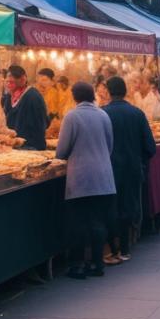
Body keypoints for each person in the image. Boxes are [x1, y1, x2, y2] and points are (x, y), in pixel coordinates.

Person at [54, 82, 116, 279]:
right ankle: (98, 264)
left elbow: (61, 151)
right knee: (98, 221)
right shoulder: (103, 114)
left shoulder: (72, 116)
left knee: (79, 222)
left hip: (81, 177)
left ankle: (77, 266)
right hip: (104, 177)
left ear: (75, 97)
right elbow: (109, 145)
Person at [102, 76, 156, 263]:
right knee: (128, 207)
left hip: (109, 170)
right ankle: (125, 248)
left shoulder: (103, 114)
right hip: (132, 168)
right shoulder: (137, 114)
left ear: (108, 92)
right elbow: (150, 146)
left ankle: (112, 249)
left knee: (110, 208)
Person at [2, 65, 48, 150]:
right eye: (7, 82)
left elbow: (40, 124)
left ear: (23, 79)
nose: (8, 85)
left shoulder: (33, 96)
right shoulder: (9, 96)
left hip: (31, 146)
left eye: (11, 82)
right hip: (13, 145)